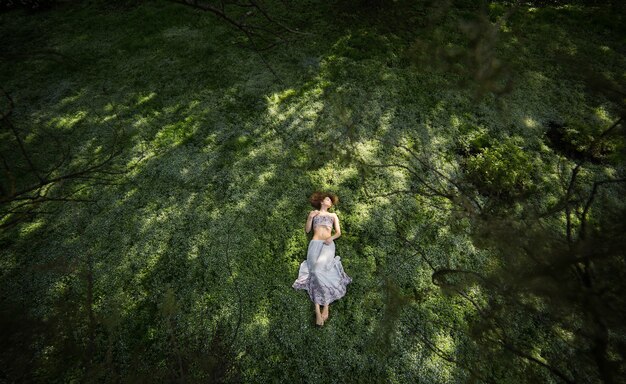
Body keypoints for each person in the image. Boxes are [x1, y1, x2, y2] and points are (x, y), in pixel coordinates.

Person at [293, 192, 352, 326]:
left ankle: (324, 307)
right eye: (327, 199)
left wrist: (332, 237)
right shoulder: (314, 213)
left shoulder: (333, 216)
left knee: (319, 271)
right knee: (314, 272)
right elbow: (308, 231)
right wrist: (309, 218)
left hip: (328, 244)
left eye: (331, 201)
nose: (329, 202)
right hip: (314, 244)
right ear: (321, 201)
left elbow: (338, 232)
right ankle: (319, 311)